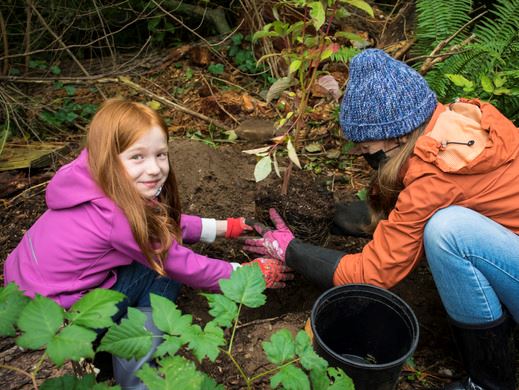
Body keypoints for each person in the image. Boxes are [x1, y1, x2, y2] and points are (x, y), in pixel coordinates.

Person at [244, 49, 518, 390]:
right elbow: (407, 210)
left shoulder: (435, 178)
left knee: (447, 231)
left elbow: (372, 275)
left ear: (397, 135)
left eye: (364, 145)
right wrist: (327, 217)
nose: (359, 153)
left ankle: (489, 382)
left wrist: (292, 251)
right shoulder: (453, 125)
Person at [4, 99, 292, 389]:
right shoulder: (118, 218)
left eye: (161, 154)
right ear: (108, 156)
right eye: (137, 157)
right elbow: (183, 264)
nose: (154, 168)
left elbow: (155, 222)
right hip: (65, 321)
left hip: (30, 299)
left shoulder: (86, 177)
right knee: (162, 272)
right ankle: (136, 372)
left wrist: (226, 228)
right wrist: (248, 276)